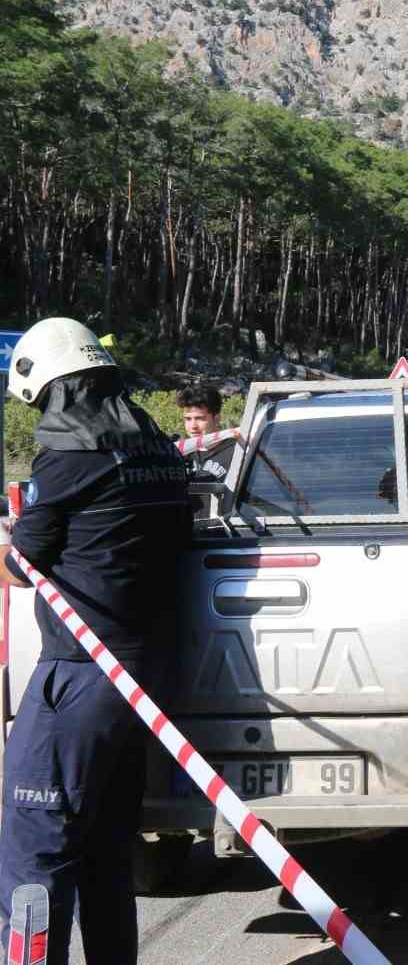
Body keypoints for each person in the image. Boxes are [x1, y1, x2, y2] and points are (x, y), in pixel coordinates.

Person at [0, 318, 190, 964]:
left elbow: (22, 567)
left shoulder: (68, 455)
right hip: (145, 671)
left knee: (38, 843)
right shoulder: (155, 445)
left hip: (82, 671)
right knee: (106, 845)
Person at [176, 384, 237, 484]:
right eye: (188, 419)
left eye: (200, 418)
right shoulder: (178, 453)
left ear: (217, 419)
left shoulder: (237, 451)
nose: (193, 426)